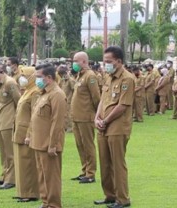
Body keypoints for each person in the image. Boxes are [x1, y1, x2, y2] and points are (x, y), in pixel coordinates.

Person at [94, 46, 135, 208]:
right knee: (104, 163)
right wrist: (97, 117)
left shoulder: (127, 79)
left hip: (117, 127)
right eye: (104, 62)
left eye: (108, 62)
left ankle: (123, 199)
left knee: (117, 164)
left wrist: (105, 120)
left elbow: (123, 105)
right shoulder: (108, 77)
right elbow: (103, 101)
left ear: (119, 61)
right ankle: (109, 195)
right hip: (103, 126)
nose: (106, 65)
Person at [29, 64, 67, 208]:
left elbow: (57, 122)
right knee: (42, 175)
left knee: (51, 177)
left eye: (39, 77)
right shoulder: (43, 93)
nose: (36, 79)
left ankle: (54, 204)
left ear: (49, 78)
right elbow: (35, 118)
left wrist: (53, 144)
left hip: (48, 144)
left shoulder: (57, 94)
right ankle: (46, 202)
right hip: (38, 142)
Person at [70, 51, 100, 184]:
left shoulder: (90, 76)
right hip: (76, 117)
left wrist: (95, 114)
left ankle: (91, 173)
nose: (74, 63)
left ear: (83, 61)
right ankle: (84, 170)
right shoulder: (79, 75)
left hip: (86, 116)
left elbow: (96, 97)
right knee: (79, 145)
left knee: (88, 145)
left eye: (76, 61)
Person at [13, 66, 40, 202]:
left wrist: (30, 133)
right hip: (19, 130)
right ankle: (22, 191)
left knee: (28, 163)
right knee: (20, 163)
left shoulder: (35, 92)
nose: (21, 78)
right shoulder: (26, 91)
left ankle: (30, 192)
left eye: (25, 75)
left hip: (26, 132)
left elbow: (34, 116)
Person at [57, 65, 75, 132]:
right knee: (64, 114)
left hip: (69, 100)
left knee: (69, 114)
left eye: (62, 74)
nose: (61, 75)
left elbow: (74, 90)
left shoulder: (71, 80)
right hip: (63, 100)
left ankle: (70, 128)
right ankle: (65, 127)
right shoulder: (62, 80)